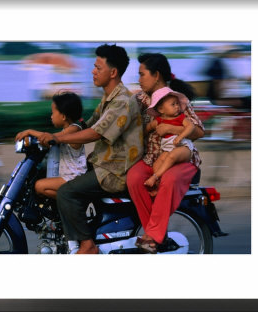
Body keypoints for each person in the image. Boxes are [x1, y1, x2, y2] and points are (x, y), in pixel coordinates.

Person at [27, 44, 144, 254]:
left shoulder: (122, 102)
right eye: (94, 67)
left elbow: (94, 133)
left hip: (114, 172)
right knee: (45, 184)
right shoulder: (109, 99)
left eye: (98, 68)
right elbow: (85, 124)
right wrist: (46, 135)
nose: (93, 71)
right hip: (101, 166)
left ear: (113, 72)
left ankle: (87, 245)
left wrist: (57, 138)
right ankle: (68, 233)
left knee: (66, 192)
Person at [127, 53, 204, 254]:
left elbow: (199, 130)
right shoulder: (140, 99)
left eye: (142, 74)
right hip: (152, 160)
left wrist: (173, 130)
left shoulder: (175, 99)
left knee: (169, 179)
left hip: (181, 159)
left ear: (157, 75)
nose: (139, 79)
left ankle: (151, 236)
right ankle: (155, 236)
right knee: (134, 178)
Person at [15, 91, 87, 199]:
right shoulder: (67, 129)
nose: (51, 116)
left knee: (40, 186)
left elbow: (51, 138)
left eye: (53, 113)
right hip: (67, 177)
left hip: (74, 178)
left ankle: (72, 201)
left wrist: (30, 131)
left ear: (63, 116)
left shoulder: (74, 129)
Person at [143, 88, 197, 189]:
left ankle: (155, 177)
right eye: (173, 104)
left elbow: (191, 127)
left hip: (183, 147)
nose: (177, 106)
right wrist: (140, 134)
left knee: (172, 156)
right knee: (157, 164)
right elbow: (148, 128)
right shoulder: (158, 121)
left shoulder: (180, 118)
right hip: (167, 149)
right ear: (161, 109)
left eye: (177, 103)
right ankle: (158, 185)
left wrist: (180, 136)